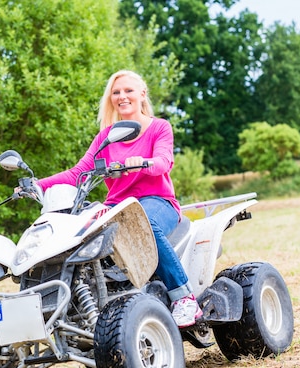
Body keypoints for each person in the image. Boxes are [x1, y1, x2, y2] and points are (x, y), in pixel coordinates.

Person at [36, 70, 202, 328]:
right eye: (116, 92)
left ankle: (183, 297)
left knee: (143, 224)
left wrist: (143, 163)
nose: (122, 96)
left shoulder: (159, 127)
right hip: (116, 207)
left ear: (142, 94)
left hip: (157, 202)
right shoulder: (106, 137)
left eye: (128, 91)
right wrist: (38, 185)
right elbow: (78, 173)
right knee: (76, 237)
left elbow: (163, 162)